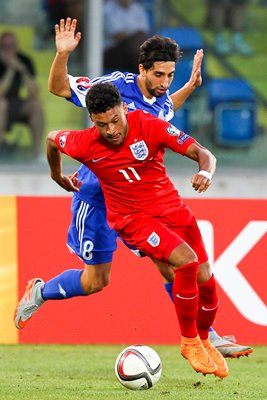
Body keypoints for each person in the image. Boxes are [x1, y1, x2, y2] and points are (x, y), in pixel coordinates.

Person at [14, 18, 253, 359]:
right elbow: (59, 88)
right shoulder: (114, 88)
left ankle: (204, 335)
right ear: (142, 69)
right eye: (159, 75)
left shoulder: (161, 99)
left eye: (171, 76)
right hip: (95, 198)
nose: (165, 83)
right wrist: (62, 55)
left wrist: (189, 87)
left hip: (135, 204)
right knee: (95, 281)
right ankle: (41, 291)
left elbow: (163, 115)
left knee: (175, 264)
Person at [47, 81, 230, 376]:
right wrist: (58, 177)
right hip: (132, 218)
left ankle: (205, 339)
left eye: (115, 120)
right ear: (92, 120)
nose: (111, 130)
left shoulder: (149, 125)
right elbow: (53, 139)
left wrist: (205, 171)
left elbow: (203, 152)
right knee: (185, 261)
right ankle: (189, 342)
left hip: (171, 208)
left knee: (205, 279)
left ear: (124, 108)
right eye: (101, 124)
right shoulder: (84, 142)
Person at [0, 31, 44, 158]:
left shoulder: (24, 60)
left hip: (15, 103)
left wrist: (23, 71)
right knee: (1, 104)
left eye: (12, 47)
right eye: (5, 47)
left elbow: (34, 93)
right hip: (2, 104)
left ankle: (38, 153)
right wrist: (11, 69)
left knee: (36, 105)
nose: (10, 51)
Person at [103, 0, 150, 72]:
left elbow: (144, 32)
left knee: (141, 48)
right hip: (111, 53)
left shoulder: (137, 8)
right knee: (138, 46)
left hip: (133, 51)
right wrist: (134, 36)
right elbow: (117, 36)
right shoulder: (108, 8)